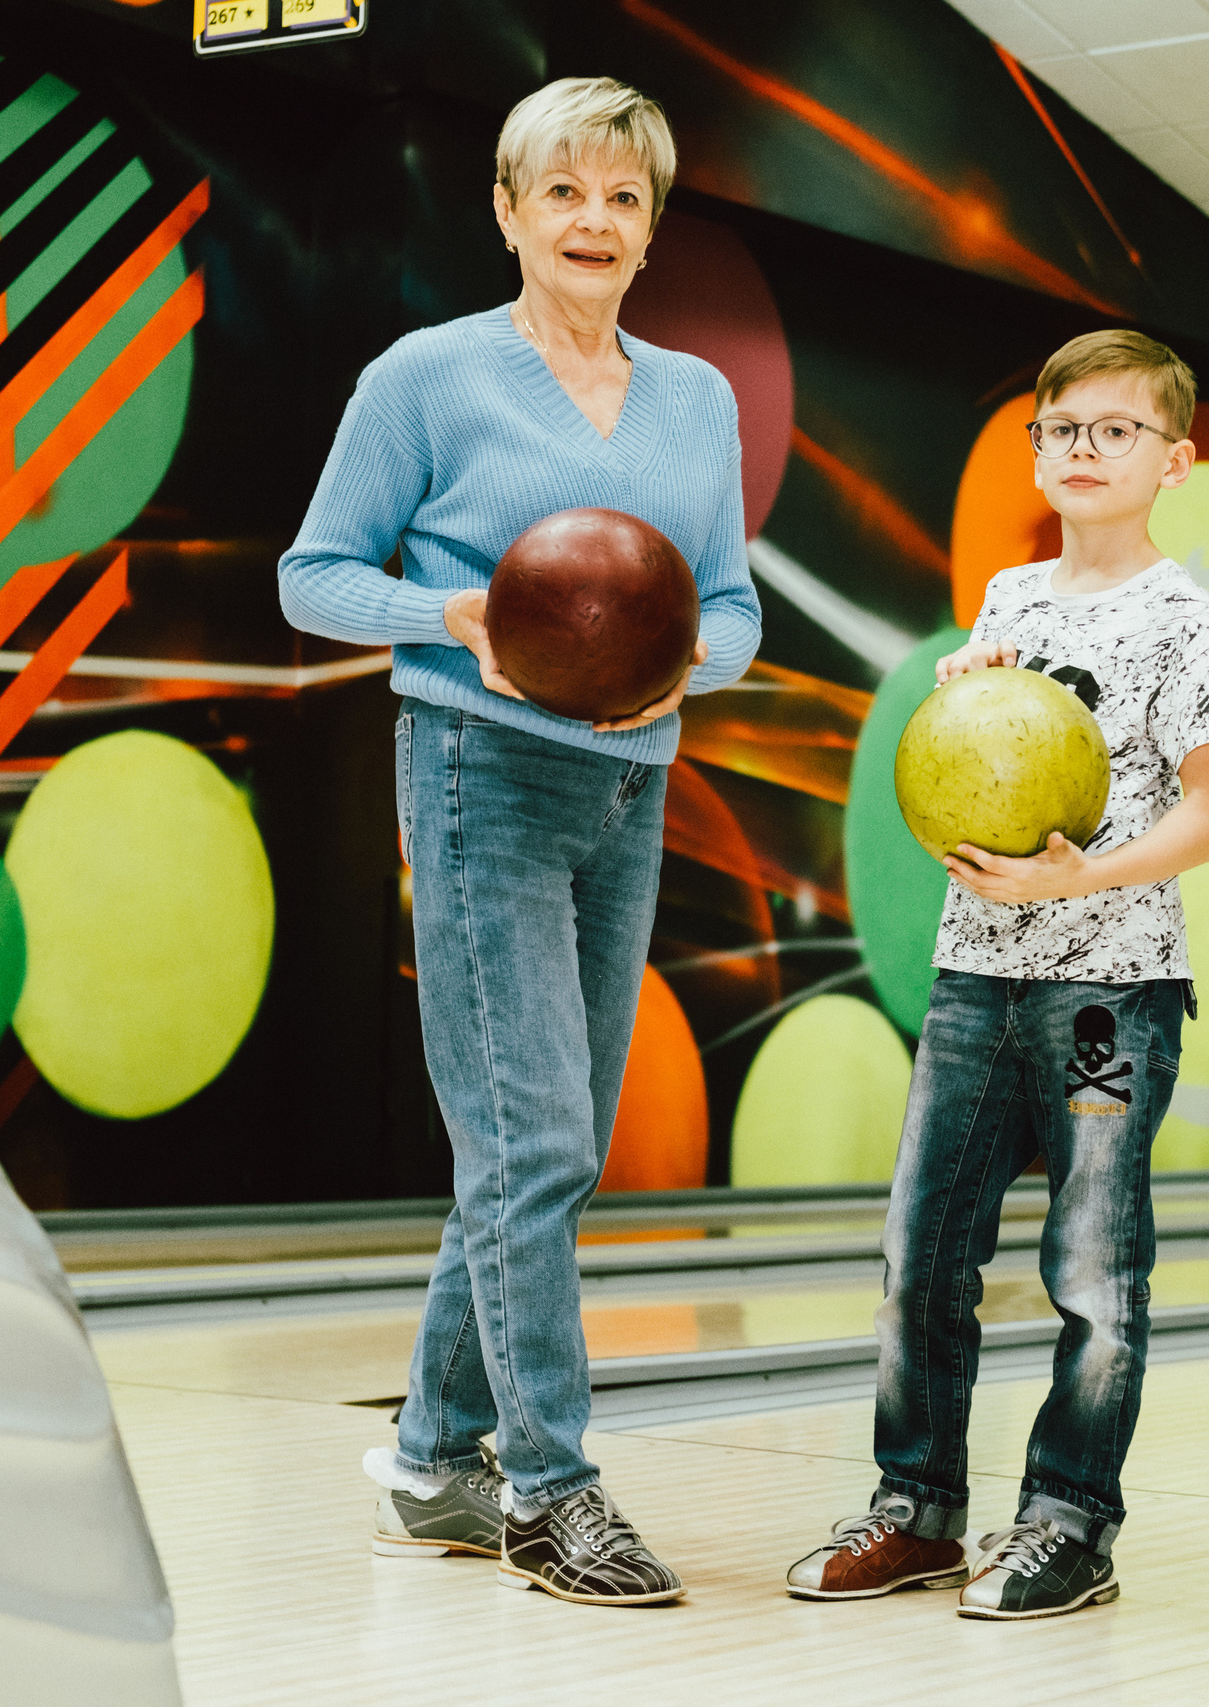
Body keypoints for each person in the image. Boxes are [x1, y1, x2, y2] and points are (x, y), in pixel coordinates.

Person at [276, 76, 761, 1607]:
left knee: (541, 1154)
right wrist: (457, 617)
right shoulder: (429, 377)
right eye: (565, 192)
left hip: (635, 788)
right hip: (482, 771)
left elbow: (733, 605)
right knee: (536, 1145)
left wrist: (689, 662)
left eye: (623, 199)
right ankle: (549, 1486)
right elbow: (313, 578)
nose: (595, 223)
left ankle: (430, 1460)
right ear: (508, 211)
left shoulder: (698, 397)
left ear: (650, 226)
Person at [782, 330, 1209, 1620]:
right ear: (1035, 453)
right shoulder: (1007, 602)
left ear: (1177, 460)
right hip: (975, 977)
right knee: (922, 1249)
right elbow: (969, 765)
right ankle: (917, 1509)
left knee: (1092, 1266)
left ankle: (1069, 1524)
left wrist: (1074, 884)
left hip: (1111, 990)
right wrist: (957, 704)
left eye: (1118, 430)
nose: (1086, 449)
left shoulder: (1180, 616)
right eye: (1063, 430)